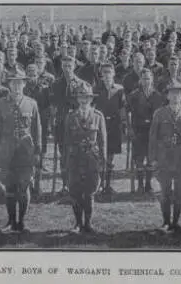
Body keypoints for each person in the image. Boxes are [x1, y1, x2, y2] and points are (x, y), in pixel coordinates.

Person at [148, 81, 181, 234]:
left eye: (178, 93)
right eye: (172, 93)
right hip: (164, 157)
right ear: (167, 95)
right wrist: (153, 158)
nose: (175, 96)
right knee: (164, 192)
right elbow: (153, 137)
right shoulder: (159, 113)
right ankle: (165, 222)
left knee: (179, 192)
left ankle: (176, 222)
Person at [0, 69, 42, 233]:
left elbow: (36, 129)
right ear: (9, 84)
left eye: (19, 82)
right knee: (9, 186)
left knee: (24, 185)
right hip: (6, 149)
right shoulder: (1, 103)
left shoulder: (32, 103)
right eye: (13, 82)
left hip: (25, 150)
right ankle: (10, 221)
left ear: (24, 84)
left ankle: (21, 222)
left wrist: (37, 151)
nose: (16, 85)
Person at [63, 82, 107, 234]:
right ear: (77, 99)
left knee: (89, 192)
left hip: (91, 159)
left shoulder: (98, 116)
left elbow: (102, 141)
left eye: (86, 97)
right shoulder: (70, 116)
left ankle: (87, 224)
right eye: (81, 97)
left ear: (91, 99)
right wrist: (66, 162)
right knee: (75, 191)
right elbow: (66, 141)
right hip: (75, 158)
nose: (83, 100)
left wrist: (103, 161)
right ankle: (77, 223)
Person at [51, 56, 87, 192]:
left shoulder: (81, 84)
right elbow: (53, 106)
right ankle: (65, 184)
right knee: (64, 155)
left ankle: (77, 182)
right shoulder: (56, 84)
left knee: (78, 153)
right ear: (61, 67)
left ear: (74, 67)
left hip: (77, 125)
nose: (67, 69)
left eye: (69, 66)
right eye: (64, 66)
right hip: (61, 124)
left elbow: (84, 105)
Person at [127, 69, 164, 193]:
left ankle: (148, 184)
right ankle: (140, 185)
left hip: (152, 131)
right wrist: (130, 129)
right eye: (144, 79)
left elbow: (160, 115)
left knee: (150, 159)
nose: (146, 81)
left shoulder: (157, 96)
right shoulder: (134, 95)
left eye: (148, 78)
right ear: (140, 80)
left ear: (152, 80)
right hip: (138, 130)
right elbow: (129, 113)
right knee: (139, 159)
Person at [92, 63, 126, 194]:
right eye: (104, 72)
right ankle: (99, 184)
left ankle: (108, 185)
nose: (106, 75)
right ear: (101, 74)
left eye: (109, 72)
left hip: (114, 125)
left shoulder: (119, 89)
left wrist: (124, 123)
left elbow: (122, 107)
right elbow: (92, 108)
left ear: (113, 74)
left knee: (110, 157)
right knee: (100, 155)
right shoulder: (95, 89)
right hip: (99, 125)